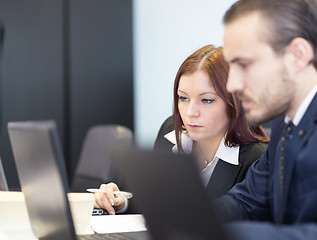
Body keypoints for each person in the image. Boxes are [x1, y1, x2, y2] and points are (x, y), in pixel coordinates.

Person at [212, 0, 317, 239]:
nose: (232, 85)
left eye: (244, 64)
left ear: (298, 55)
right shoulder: (286, 122)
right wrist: (194, 219)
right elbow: (249, 200)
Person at [93, 45, 270, 215]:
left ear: (234, 104)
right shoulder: (170, 131)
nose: (190, 112)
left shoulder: (256, 159)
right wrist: (120, 201)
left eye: (207, 100)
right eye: (183, 98)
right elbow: (152, 201)